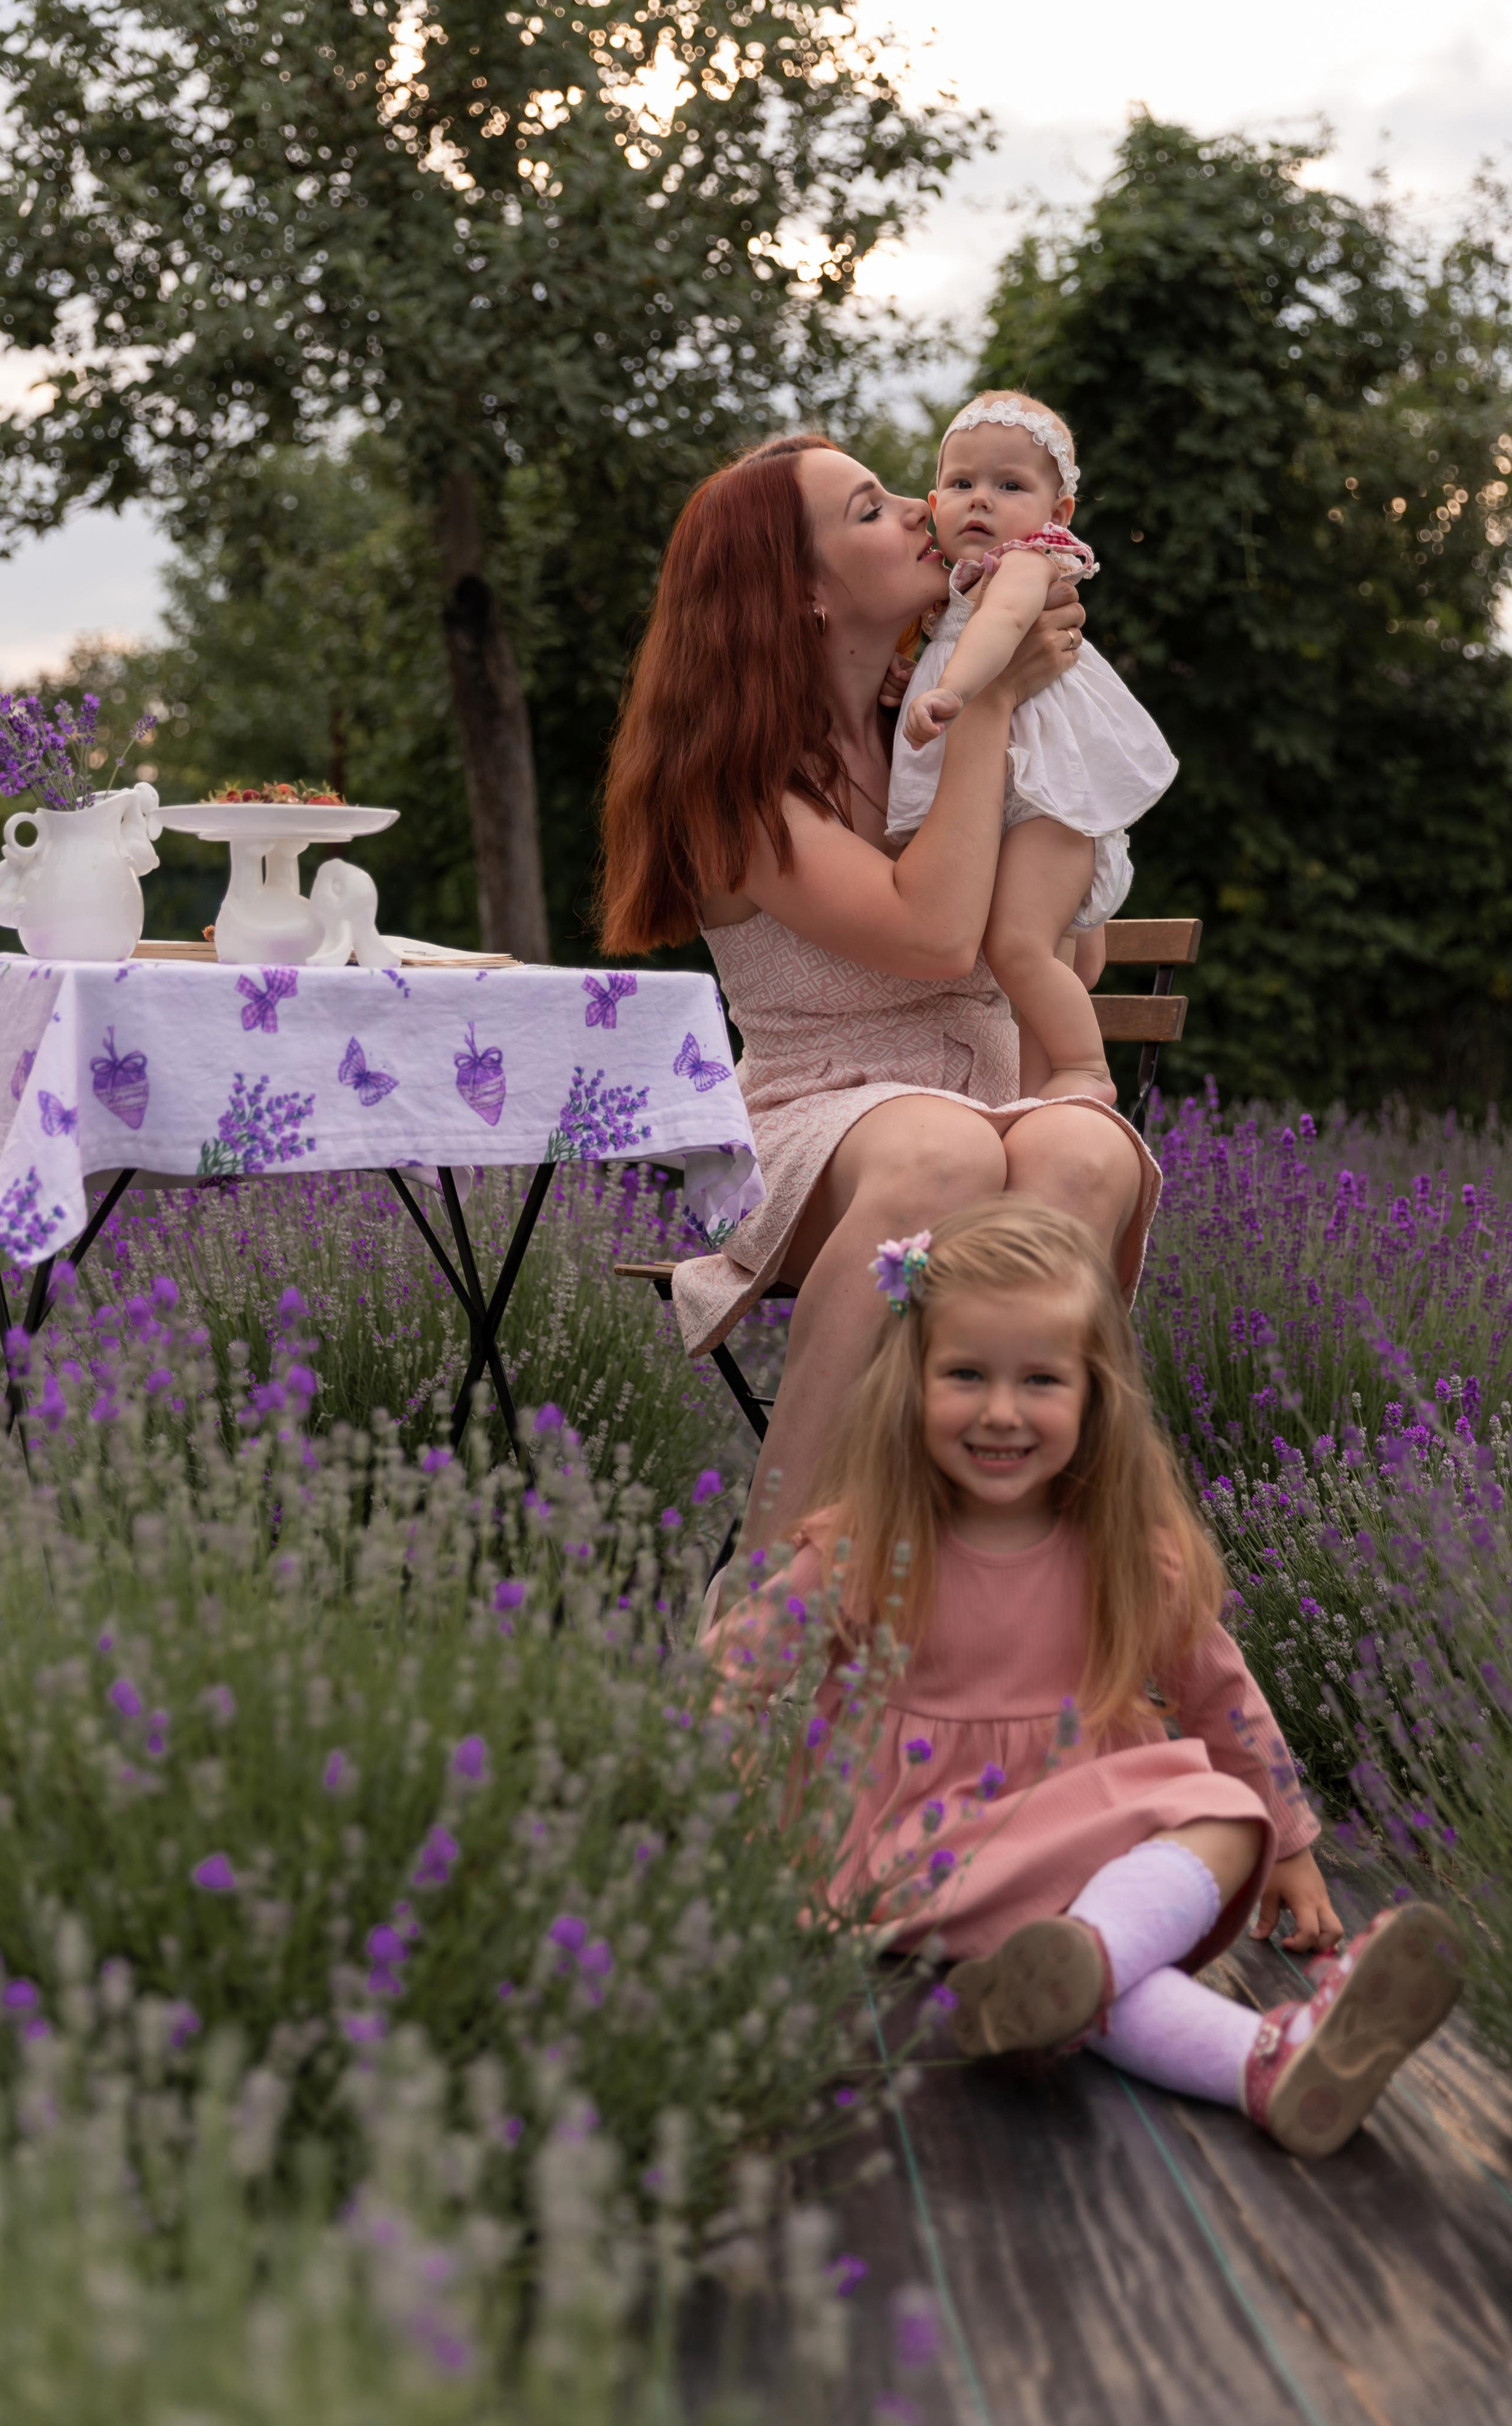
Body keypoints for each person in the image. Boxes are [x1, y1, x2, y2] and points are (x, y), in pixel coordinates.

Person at [707, 1200, 1468, 2159]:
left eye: (1040, 1381)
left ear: (1093, 1394)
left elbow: (1220, 1692)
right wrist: (720, 1795)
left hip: (1076, 1834)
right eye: (966, 1375)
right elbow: (737, 1668)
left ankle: (1264, 2060)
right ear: (912, 1382)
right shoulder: (869, 1540)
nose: (1000, 1411)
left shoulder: (1121, 1550)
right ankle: (1125, 1972)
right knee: (1161, 1883)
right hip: (922, 1843)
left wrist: (1290, 1846)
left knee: (1219, 1829)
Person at [597, 433, 1160, 1580]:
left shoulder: (921, 728)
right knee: (941, 1158)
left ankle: (1022, 1598)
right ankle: (774, 1607)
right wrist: (995, 705)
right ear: (800, 593)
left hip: (986, 1094)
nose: (921, 509)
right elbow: (935, 939)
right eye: (868, 508)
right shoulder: (733, 783)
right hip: (823, 1119)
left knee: (1088, 1153)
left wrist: (1049, 768)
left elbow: (1069, 957)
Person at [888, 392, 1177, 1105]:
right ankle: (1039, 1103)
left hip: (1042, 797)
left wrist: (949, 691)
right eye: (961, 484)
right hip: (1016, 799)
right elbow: (952, 632)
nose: (980, 500)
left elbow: (1005, 622)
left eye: (1009, 485)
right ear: (934, 501)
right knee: (1035, 963)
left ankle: (1087, 1071)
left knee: (1016, 949)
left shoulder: (1025, 564)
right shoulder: (954, 586)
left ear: (1058, 515)